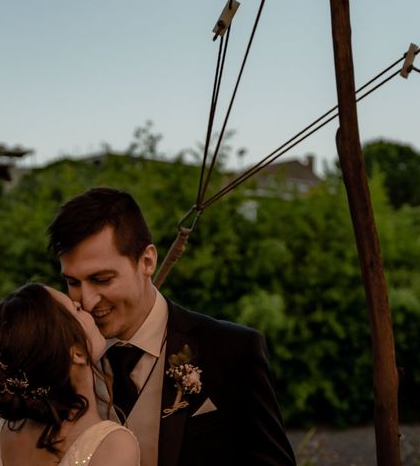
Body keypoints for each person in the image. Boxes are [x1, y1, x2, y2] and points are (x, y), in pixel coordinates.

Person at [47, 187, 297, 466]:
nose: (88, 300)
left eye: (102, 279)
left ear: (147, 261)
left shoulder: (233, 350)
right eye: (73, 283)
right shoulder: (60, 360)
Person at [0, 282, 140, 466]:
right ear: (78, 354)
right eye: (78, 309)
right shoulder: (113, 446)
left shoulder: (9, 428)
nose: (88, 310)